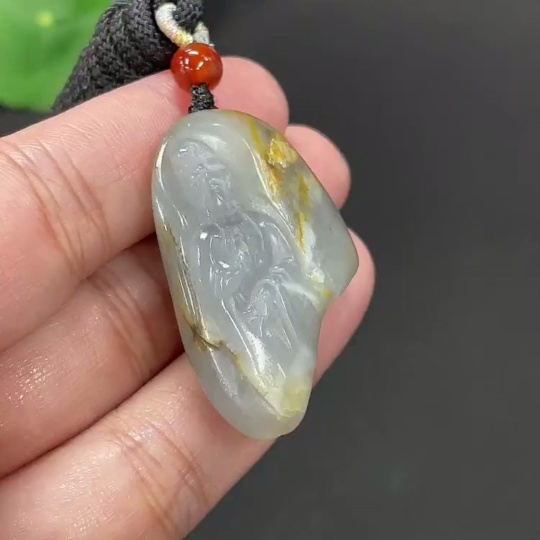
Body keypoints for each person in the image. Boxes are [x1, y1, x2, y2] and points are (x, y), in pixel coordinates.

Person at [0, 57, 374, 539]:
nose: (211, 185)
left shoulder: (255, 208)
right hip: (248, 327)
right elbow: (221, 291)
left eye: (214, 174)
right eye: (200, 179)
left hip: (276, 309)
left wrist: (286, 276)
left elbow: (306, 257)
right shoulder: (206, 238)